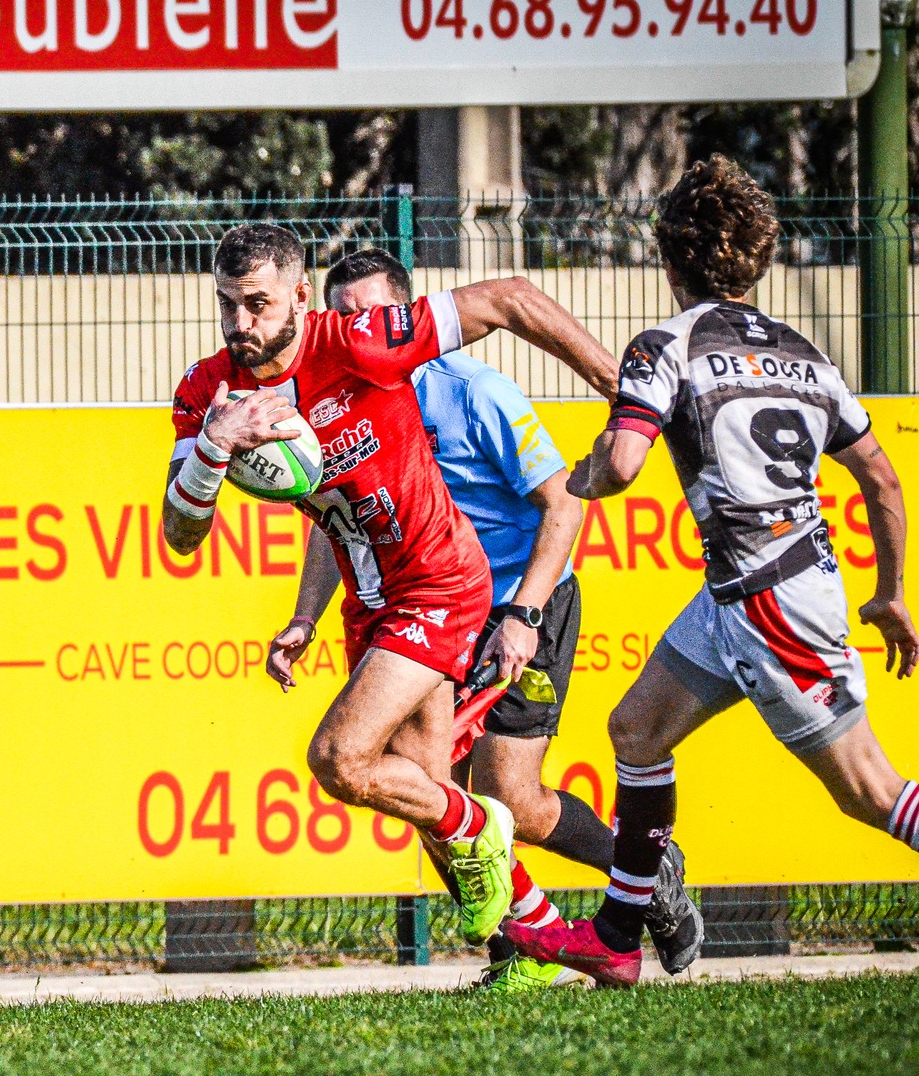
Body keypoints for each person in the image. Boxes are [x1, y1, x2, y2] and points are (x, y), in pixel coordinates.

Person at [505, 154, 919, 985]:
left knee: (869, 790)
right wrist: (891, 593)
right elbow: (881, 479)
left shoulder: (665, 346)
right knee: (636, 729)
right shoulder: (802, 352)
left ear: (669, 260)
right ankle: (616, 937)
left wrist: (588, 474)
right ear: (756, 259)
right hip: (747, 590)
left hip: (769, 602)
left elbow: (625, 464)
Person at [163, 223, 620, 958]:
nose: (240, 323)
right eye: (227, 304)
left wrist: (623, 395)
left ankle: (506, 836)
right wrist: (214, 448)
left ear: (301, 297)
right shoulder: (209, 393)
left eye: (257, 304)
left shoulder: (359, 342)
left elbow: (511, 296)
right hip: (371, 600)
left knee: (341, 758)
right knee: (423, 790)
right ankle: (555, 943)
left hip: (441, 579)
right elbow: (182, 535)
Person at [265, 247, 698, 989]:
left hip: (516, 600)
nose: (359, 330)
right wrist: (305, 617)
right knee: (428, 791)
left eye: (374, 314)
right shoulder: (332, 404)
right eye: (344, 318)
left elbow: (563, 504)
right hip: (425, 607)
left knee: (510, 800)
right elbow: (332, 519)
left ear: (405, 316)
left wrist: (524, 613)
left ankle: (646, 866)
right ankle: (517, 952)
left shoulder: (474, 391)